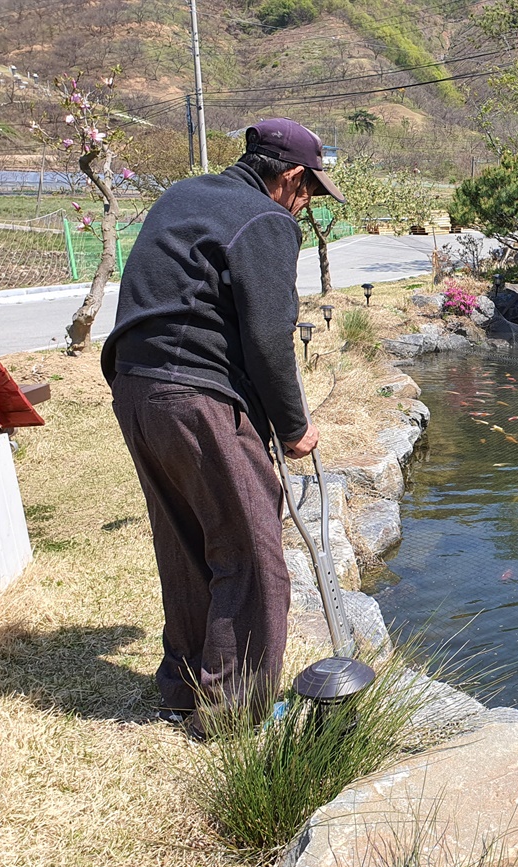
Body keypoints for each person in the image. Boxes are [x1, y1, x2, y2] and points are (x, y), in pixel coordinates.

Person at [101, 118, 345, 738]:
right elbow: (267, 337)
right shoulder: (267, 220)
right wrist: (294, 428)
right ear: (291, 177)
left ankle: (185, 695)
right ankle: (234, 716)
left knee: (184, 543)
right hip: (196, 396)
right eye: (310, 191)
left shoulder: (184, 194)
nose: (308, 203)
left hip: (136, 386)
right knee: (253, 555)